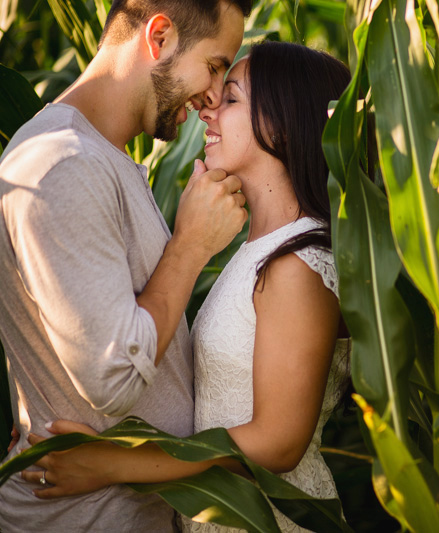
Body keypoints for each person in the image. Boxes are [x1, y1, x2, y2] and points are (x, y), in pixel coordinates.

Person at [19, 41, 353, 533]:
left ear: (281, 126)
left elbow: (279, 441)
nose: (208, 108)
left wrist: (109, 464)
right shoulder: (258, 252)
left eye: (232, 97)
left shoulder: (297, 264)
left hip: (270, 518)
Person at [0, 0, 252, 529]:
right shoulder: (63, 164)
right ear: (158, 36)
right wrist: (191, 246)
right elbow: (113, 377)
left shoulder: (99, 157)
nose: (212, 96)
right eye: (213, 66)